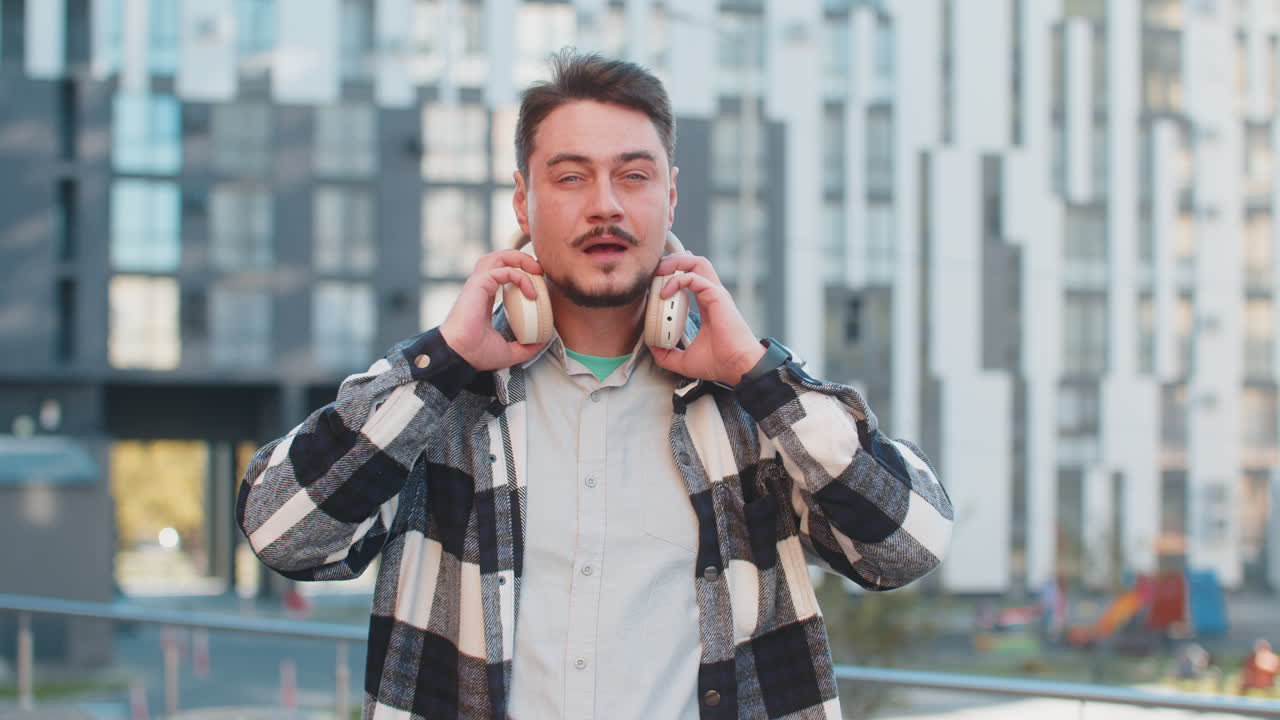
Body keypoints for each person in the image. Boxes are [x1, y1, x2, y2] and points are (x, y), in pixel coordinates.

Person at [237, 49, 953, 719]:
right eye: (571, 177)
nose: (605, 205)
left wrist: (757, 375)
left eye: (633, 176)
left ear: (670, 197)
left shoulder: (749, 410)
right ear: (524, 203)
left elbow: (907, 547)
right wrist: (444, 359)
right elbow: (282, 535)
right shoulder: (438, 402)